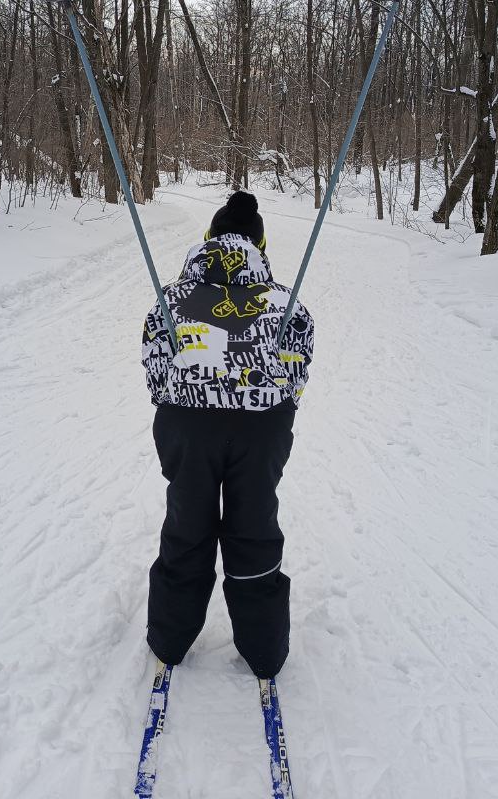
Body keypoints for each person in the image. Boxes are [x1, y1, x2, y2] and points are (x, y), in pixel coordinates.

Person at [140, 190, 315, 679]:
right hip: (261, 427)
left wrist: (185, 403)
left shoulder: (171, 298)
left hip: (187, 423)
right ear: (261, 246)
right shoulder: (285, 302)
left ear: (207, 240)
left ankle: (170, 640)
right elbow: (298, 368)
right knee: (254, 527)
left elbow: (155, 371)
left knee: (188, 524)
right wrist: (269, 404)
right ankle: (264, 650)